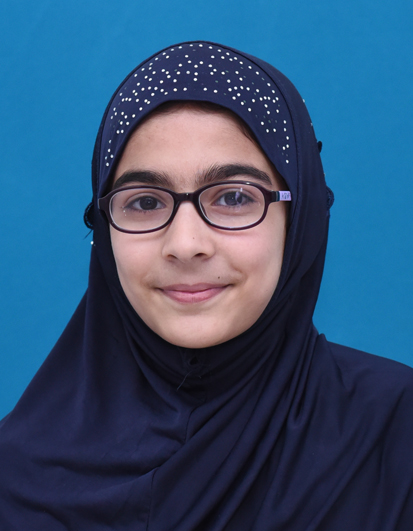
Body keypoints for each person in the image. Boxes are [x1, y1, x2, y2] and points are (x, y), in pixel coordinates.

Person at [0, 40, 412, 530]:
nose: (186, 243)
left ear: (299, 220)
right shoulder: (14, 475)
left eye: (234, 197)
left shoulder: (395, 435)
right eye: (145, 202)